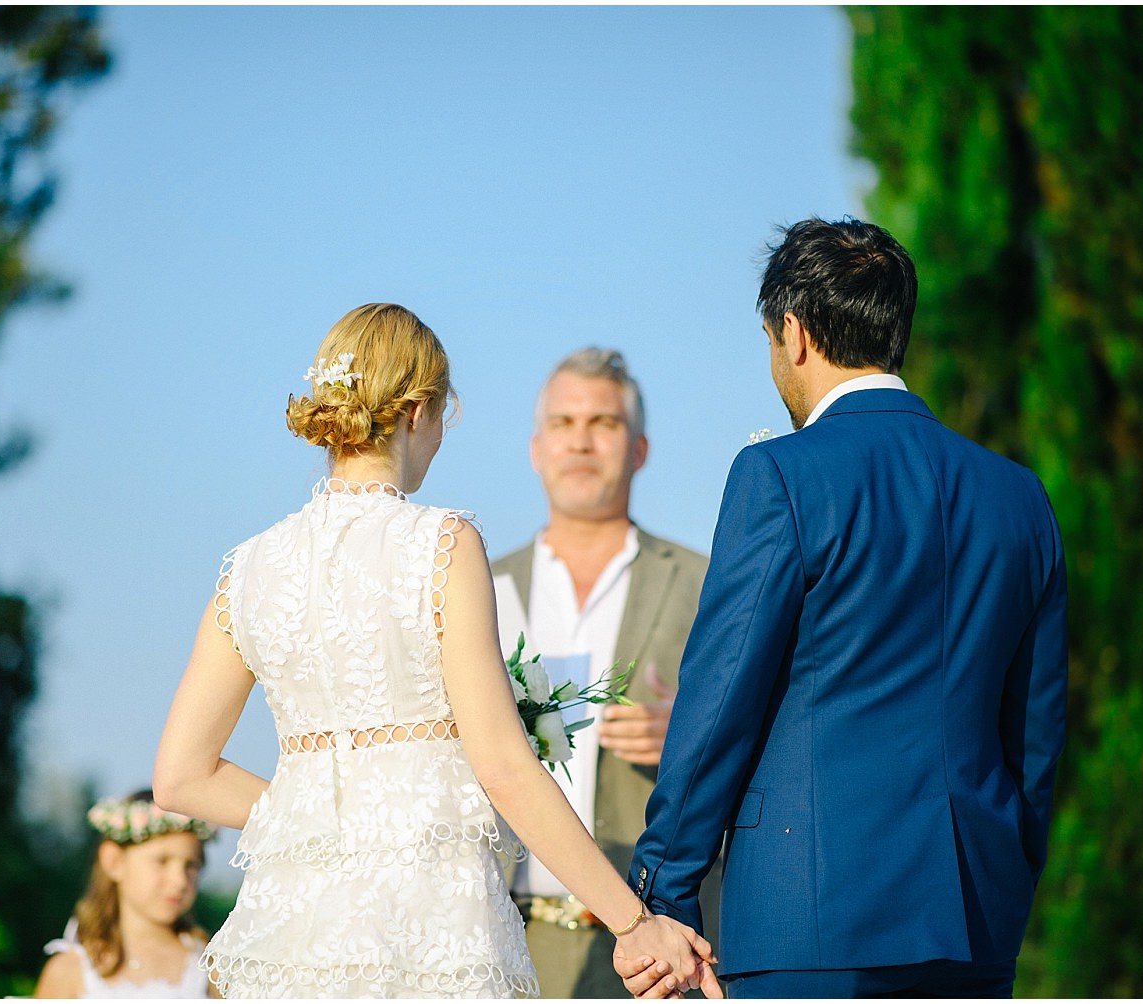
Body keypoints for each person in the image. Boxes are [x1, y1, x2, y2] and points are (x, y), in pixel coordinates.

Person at [153, 303, 718, 999]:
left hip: (291, 930)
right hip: (428, 925)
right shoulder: (440, 546)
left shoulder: (248, 568)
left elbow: (180, 776)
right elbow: (505, 765)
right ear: (418, 411)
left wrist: (325, 819)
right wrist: (634, 923)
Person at [620, 217, 1068, 999]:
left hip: (811, 921)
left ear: (792, 333)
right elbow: (1035, 729)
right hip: (977, 916)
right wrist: (1007, 872)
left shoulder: (780, 476)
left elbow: (721, 699)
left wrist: (662, 890)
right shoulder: (1018, 496)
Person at [491, 347, 720, 998]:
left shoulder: (708, 584)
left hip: (655, 952)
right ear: (536, 448)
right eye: (563, 424)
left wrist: (695, 738)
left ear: (640, 448)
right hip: (505, 941)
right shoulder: (476, 587)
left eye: (604, 423)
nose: (581, 441)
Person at [35, 789, 218, 998]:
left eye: (191, 865)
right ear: (114, 861)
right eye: (162, 861)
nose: (179, 881)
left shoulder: (210, 967)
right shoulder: (68, 971)